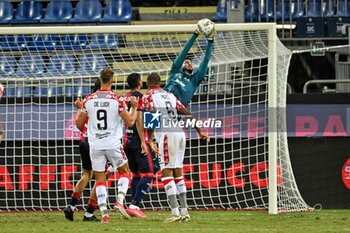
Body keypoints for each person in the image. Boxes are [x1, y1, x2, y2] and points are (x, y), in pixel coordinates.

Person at [76, 68, 138, 223]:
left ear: (100, 79)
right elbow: (130, 122)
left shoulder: (88, 99)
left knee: (100, 179)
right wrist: (135, 107)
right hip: (112, 143)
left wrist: (81, 111)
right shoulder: (117, 100)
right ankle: (119, 201)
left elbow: (79, 124)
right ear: (113, 80)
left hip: (95, 145)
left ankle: (104, 215)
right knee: (125, 171)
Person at [142, 73, 205, 222]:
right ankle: (185, 212)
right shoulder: (170, 95)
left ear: (147, 84)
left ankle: (175, 212)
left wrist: (150, 139)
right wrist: (199, 131)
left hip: (166, 134)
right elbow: (187, 113)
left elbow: (152, 115)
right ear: (161, 83)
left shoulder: (149, 96)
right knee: (178, 172)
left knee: (166, 172)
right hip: (179, 133)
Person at [64, 80, 101, 222]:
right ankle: (89, 213)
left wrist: (79, 108)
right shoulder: (106, 101)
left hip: (83, 140)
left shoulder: (87, 101)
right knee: (100, 178)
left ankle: (71, 206)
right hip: (97, 142)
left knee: (86, 174)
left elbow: (79, 125)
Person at [123, 73, 154, 218]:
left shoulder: (124, 97)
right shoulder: (140, 97)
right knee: (149, 173)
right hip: (137, 139)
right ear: (139, 83)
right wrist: (144, 141)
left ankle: (132, 205)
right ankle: (134, 205)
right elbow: (139, 119)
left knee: (135, 174)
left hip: (126, 139)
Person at [164, 23, 215, 107]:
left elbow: (206, 60)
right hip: (161, 106)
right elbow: (184, 52)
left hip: (176, 112)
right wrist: (196, 33)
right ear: (181, 65)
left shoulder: (195, 80)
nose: (189, 63)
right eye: (186, 62)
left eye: (190, 63)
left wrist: (210, 40)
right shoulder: (175, 71)